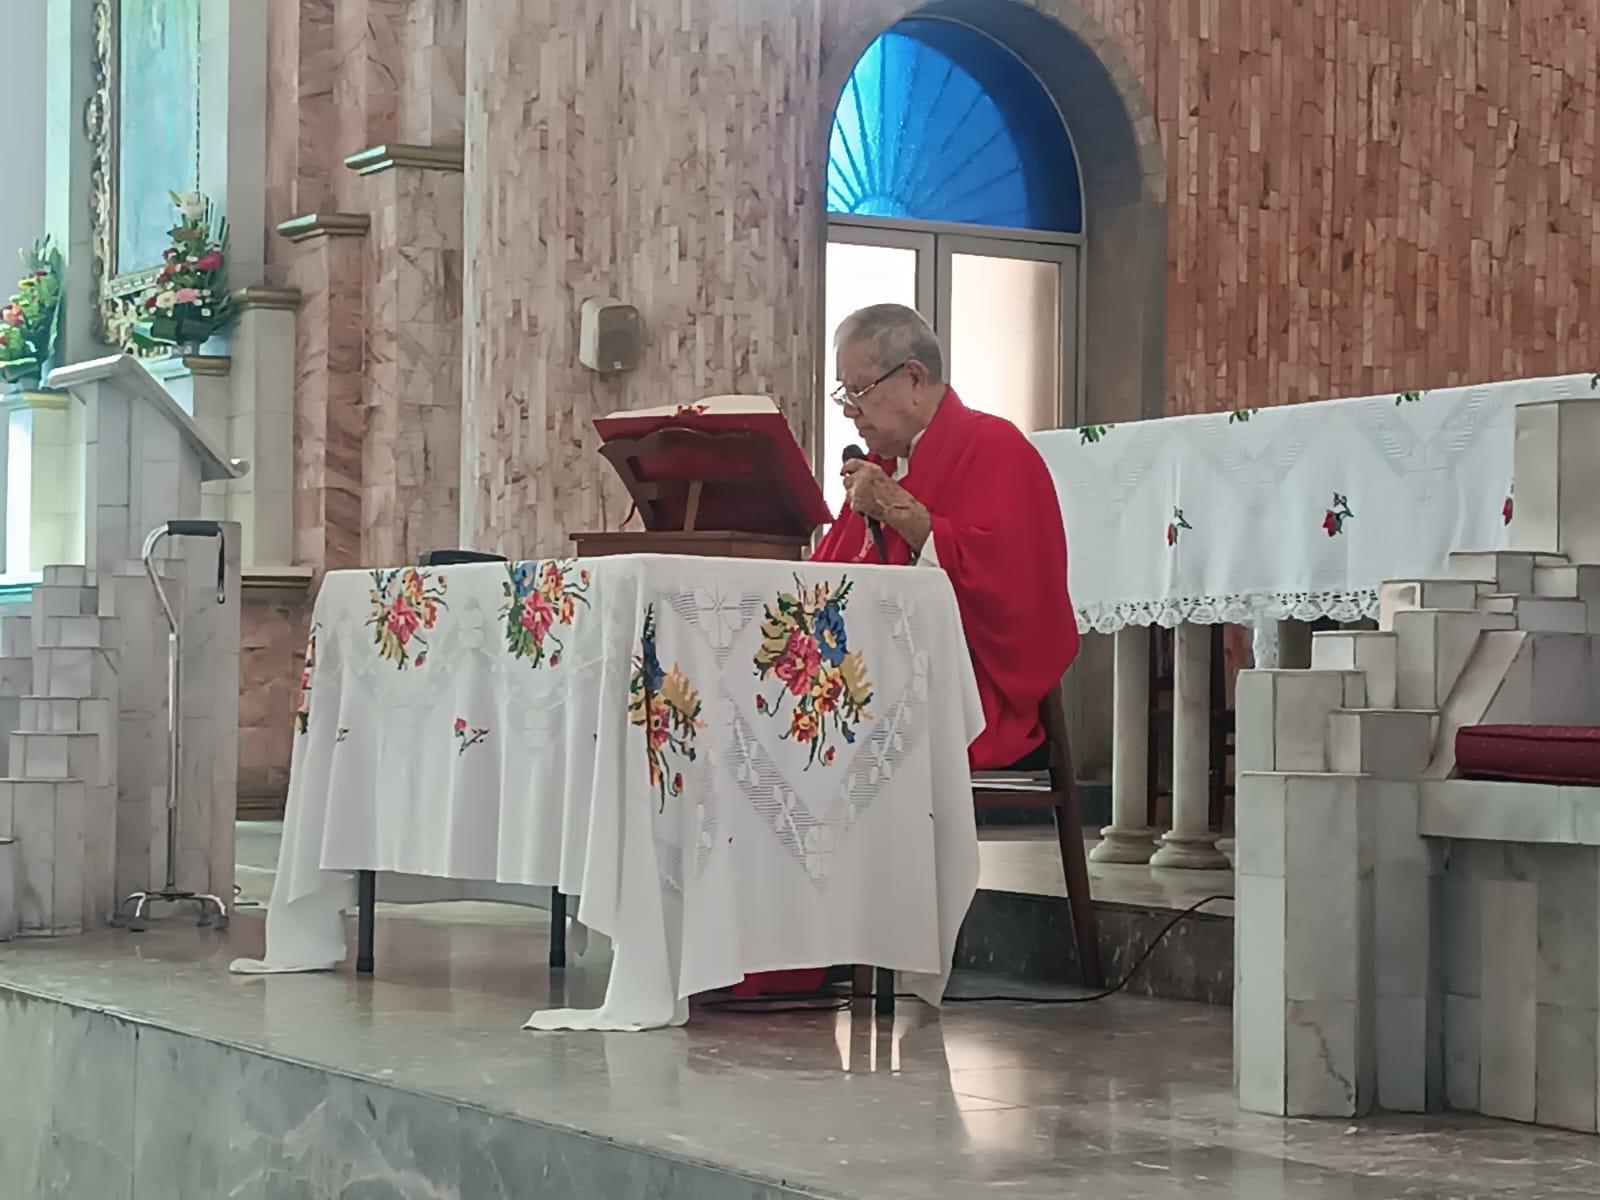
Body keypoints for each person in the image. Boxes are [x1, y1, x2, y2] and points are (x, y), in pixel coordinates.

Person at [734, 303, 1080, 998]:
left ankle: (815, 944)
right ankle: (766, 943)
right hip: (876, 687)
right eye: (845, 396)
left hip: (974, 695)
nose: (850, 414)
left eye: (857, 392)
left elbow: (1019, 590)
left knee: (825, 733)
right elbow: (825, 587)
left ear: (914, 377)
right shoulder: (883, 471)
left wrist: (904, 514)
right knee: (754, 715)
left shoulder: (996, 449)